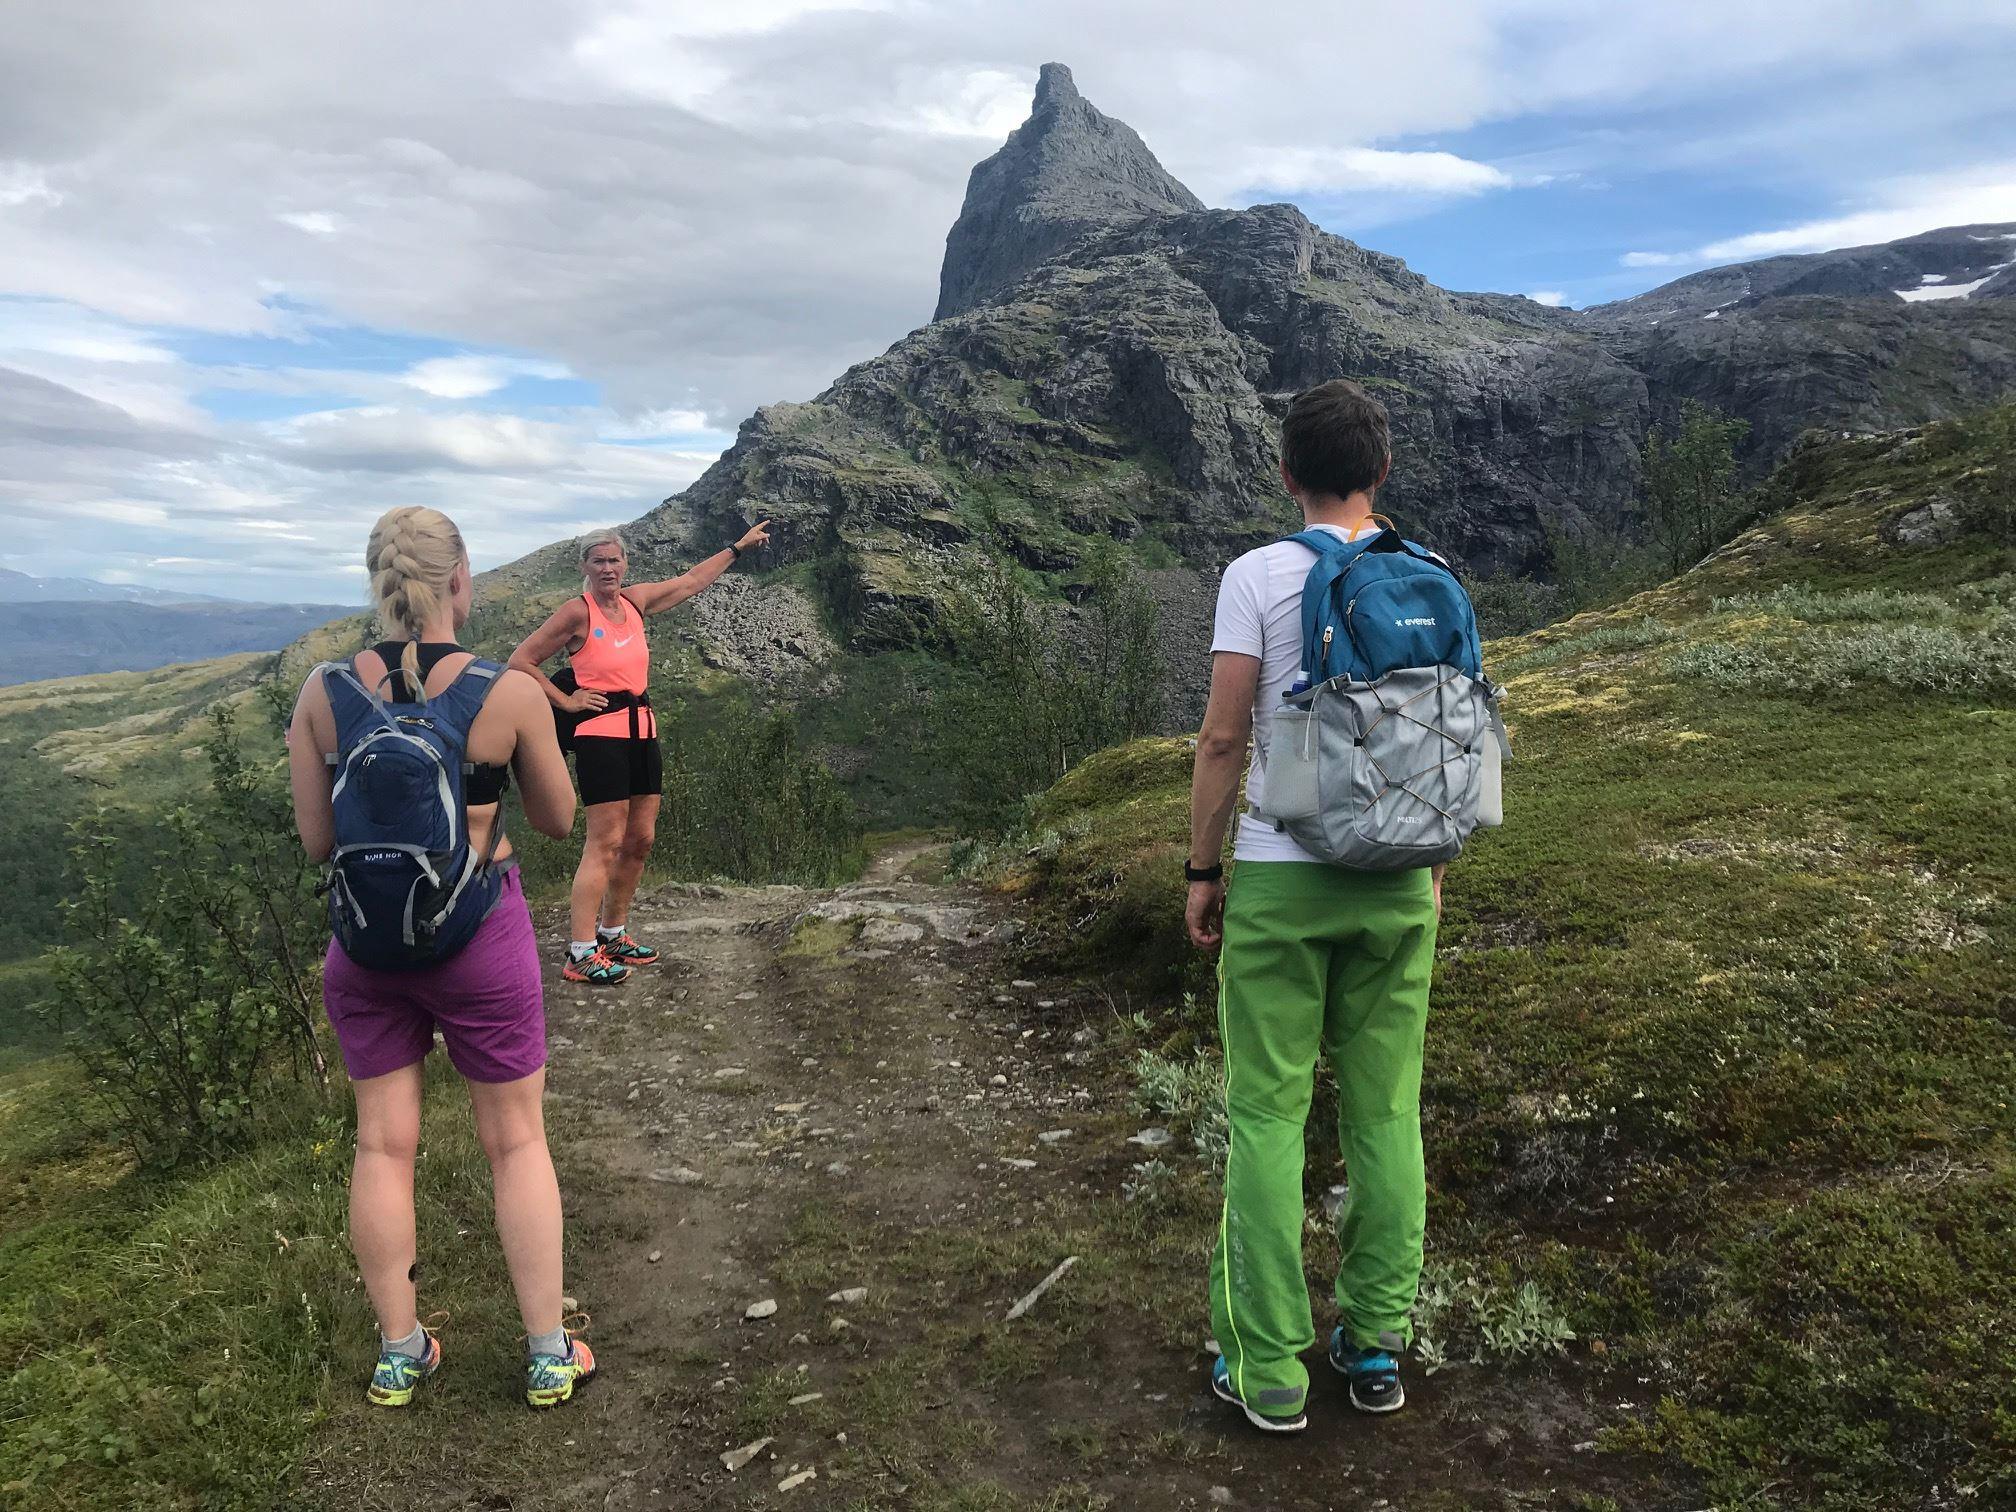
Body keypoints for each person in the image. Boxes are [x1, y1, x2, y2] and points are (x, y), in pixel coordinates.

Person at [289, 505, 599, 1411]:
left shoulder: (322, 692)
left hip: (364, 947)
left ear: (378, 586)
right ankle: (547, 1355)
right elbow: (556, 819)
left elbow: (316, 842)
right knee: (516, 1141)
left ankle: (399, 1354)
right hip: (479, 936)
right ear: (461, 581)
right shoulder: (506, 692)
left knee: (382, 1146)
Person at [1185, 379, 1442, 1435]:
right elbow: (1440, 743)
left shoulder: (1257, 576)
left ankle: (1268, 1366)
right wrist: (1429, 870)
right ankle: (1376, 1343)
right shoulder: (1428, 573)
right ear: (1380, 473)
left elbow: (1221, 739)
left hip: (1281, 878)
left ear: (1284, 472)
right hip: (1402, 885)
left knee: (1268, 1114)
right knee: (1384, 1113)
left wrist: (1204, 873)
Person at [507, 522, 770, 984]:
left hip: (643, 731)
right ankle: (581, 951)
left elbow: (690, 582)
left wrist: (738, 548)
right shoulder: (576, 613)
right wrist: (566, 701)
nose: (608, 569)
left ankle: (613, 933)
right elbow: (521, 660)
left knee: (641, 838)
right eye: (598, 561)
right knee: (604, 842)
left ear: (625, 563)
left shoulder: (634, 601)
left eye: (614, 560)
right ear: (584, 567)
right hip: (601, 736)